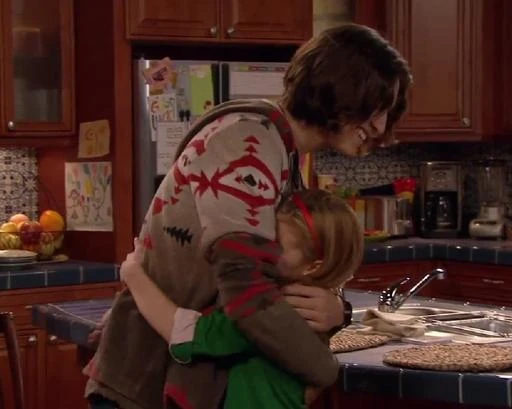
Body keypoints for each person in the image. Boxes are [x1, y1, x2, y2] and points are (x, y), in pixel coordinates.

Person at [85, 22, 411, 409]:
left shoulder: (278, 147)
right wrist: (322, 367)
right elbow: (248, 295)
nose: (379, 125)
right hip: (144, 383)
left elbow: (278, 273)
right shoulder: (247, 145)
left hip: (179, 379)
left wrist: (337, 310)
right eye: (374, 106)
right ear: (337, 89)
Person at [120, 189, 363, 409]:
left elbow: (186, 334)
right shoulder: (308, 306)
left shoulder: (269, 312)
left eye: (276, 245)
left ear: (312, 267)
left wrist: (134, 275)